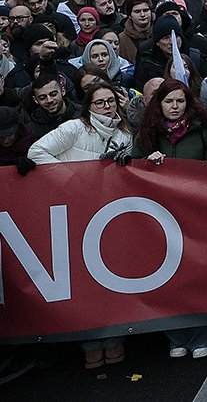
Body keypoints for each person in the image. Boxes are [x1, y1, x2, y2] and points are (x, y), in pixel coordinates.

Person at [26, 81, 133, 368]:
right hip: (72, 211)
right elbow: (36, 153)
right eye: (100, 102)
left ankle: (114, 339)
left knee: (109, 278)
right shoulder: (74, 128)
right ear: (88, 106)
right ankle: (89, 343)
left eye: (111, 101)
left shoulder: (124, 134)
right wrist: (79, 176)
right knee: (81, 280)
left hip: (107, 213)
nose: (107, 106)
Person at [129, 79, 207, 358]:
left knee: (200, 277)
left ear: (188, 103)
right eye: (169, 101)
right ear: (159, 104)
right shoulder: (146, 135)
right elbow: (130, 171)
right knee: (171, 280)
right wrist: (146, 163)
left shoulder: (204, 131)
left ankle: (205, 334)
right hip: (161, 219)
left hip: (196, 217)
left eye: (180, 101)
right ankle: (177, 336)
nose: (174, 106)